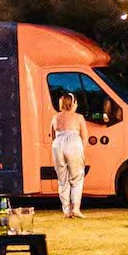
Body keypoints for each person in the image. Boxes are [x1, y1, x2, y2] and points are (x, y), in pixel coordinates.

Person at [50, 91, 88, 219]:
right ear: (73, 103)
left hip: (58, 144)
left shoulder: (55, 117)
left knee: (63, 180)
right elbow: (85, 137)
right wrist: (81, 150)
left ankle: (66, 210)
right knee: (77, 177)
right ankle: (76, 208)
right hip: (73, 144)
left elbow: (52, 135)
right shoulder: (79, 117)